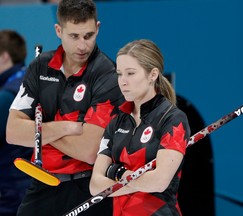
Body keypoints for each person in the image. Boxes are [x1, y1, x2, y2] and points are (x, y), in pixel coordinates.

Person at [6, 0, 124, 215]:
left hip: (87, 188)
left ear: (98, 28)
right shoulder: (39, 65)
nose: (82, 45)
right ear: (58, 30)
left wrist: (37, 131)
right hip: (41, 184)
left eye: (88, 35)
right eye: (74, 36)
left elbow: (88, 151)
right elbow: (13, 132)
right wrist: (69, 127)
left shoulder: (107, 75)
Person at [89, 39, 191, 216]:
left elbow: (159, 182)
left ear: (153, 74)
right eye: (119, 74)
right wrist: (137, 180)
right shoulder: (115, 123)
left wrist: (117, 172)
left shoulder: (172, 119)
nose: (123, 81)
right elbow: (95, 186)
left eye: (130, 73)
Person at [0, 30, 33, 216]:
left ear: (4, 56)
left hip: (11, 192)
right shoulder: (31, 82)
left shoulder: (7, 95)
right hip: (29, 185)